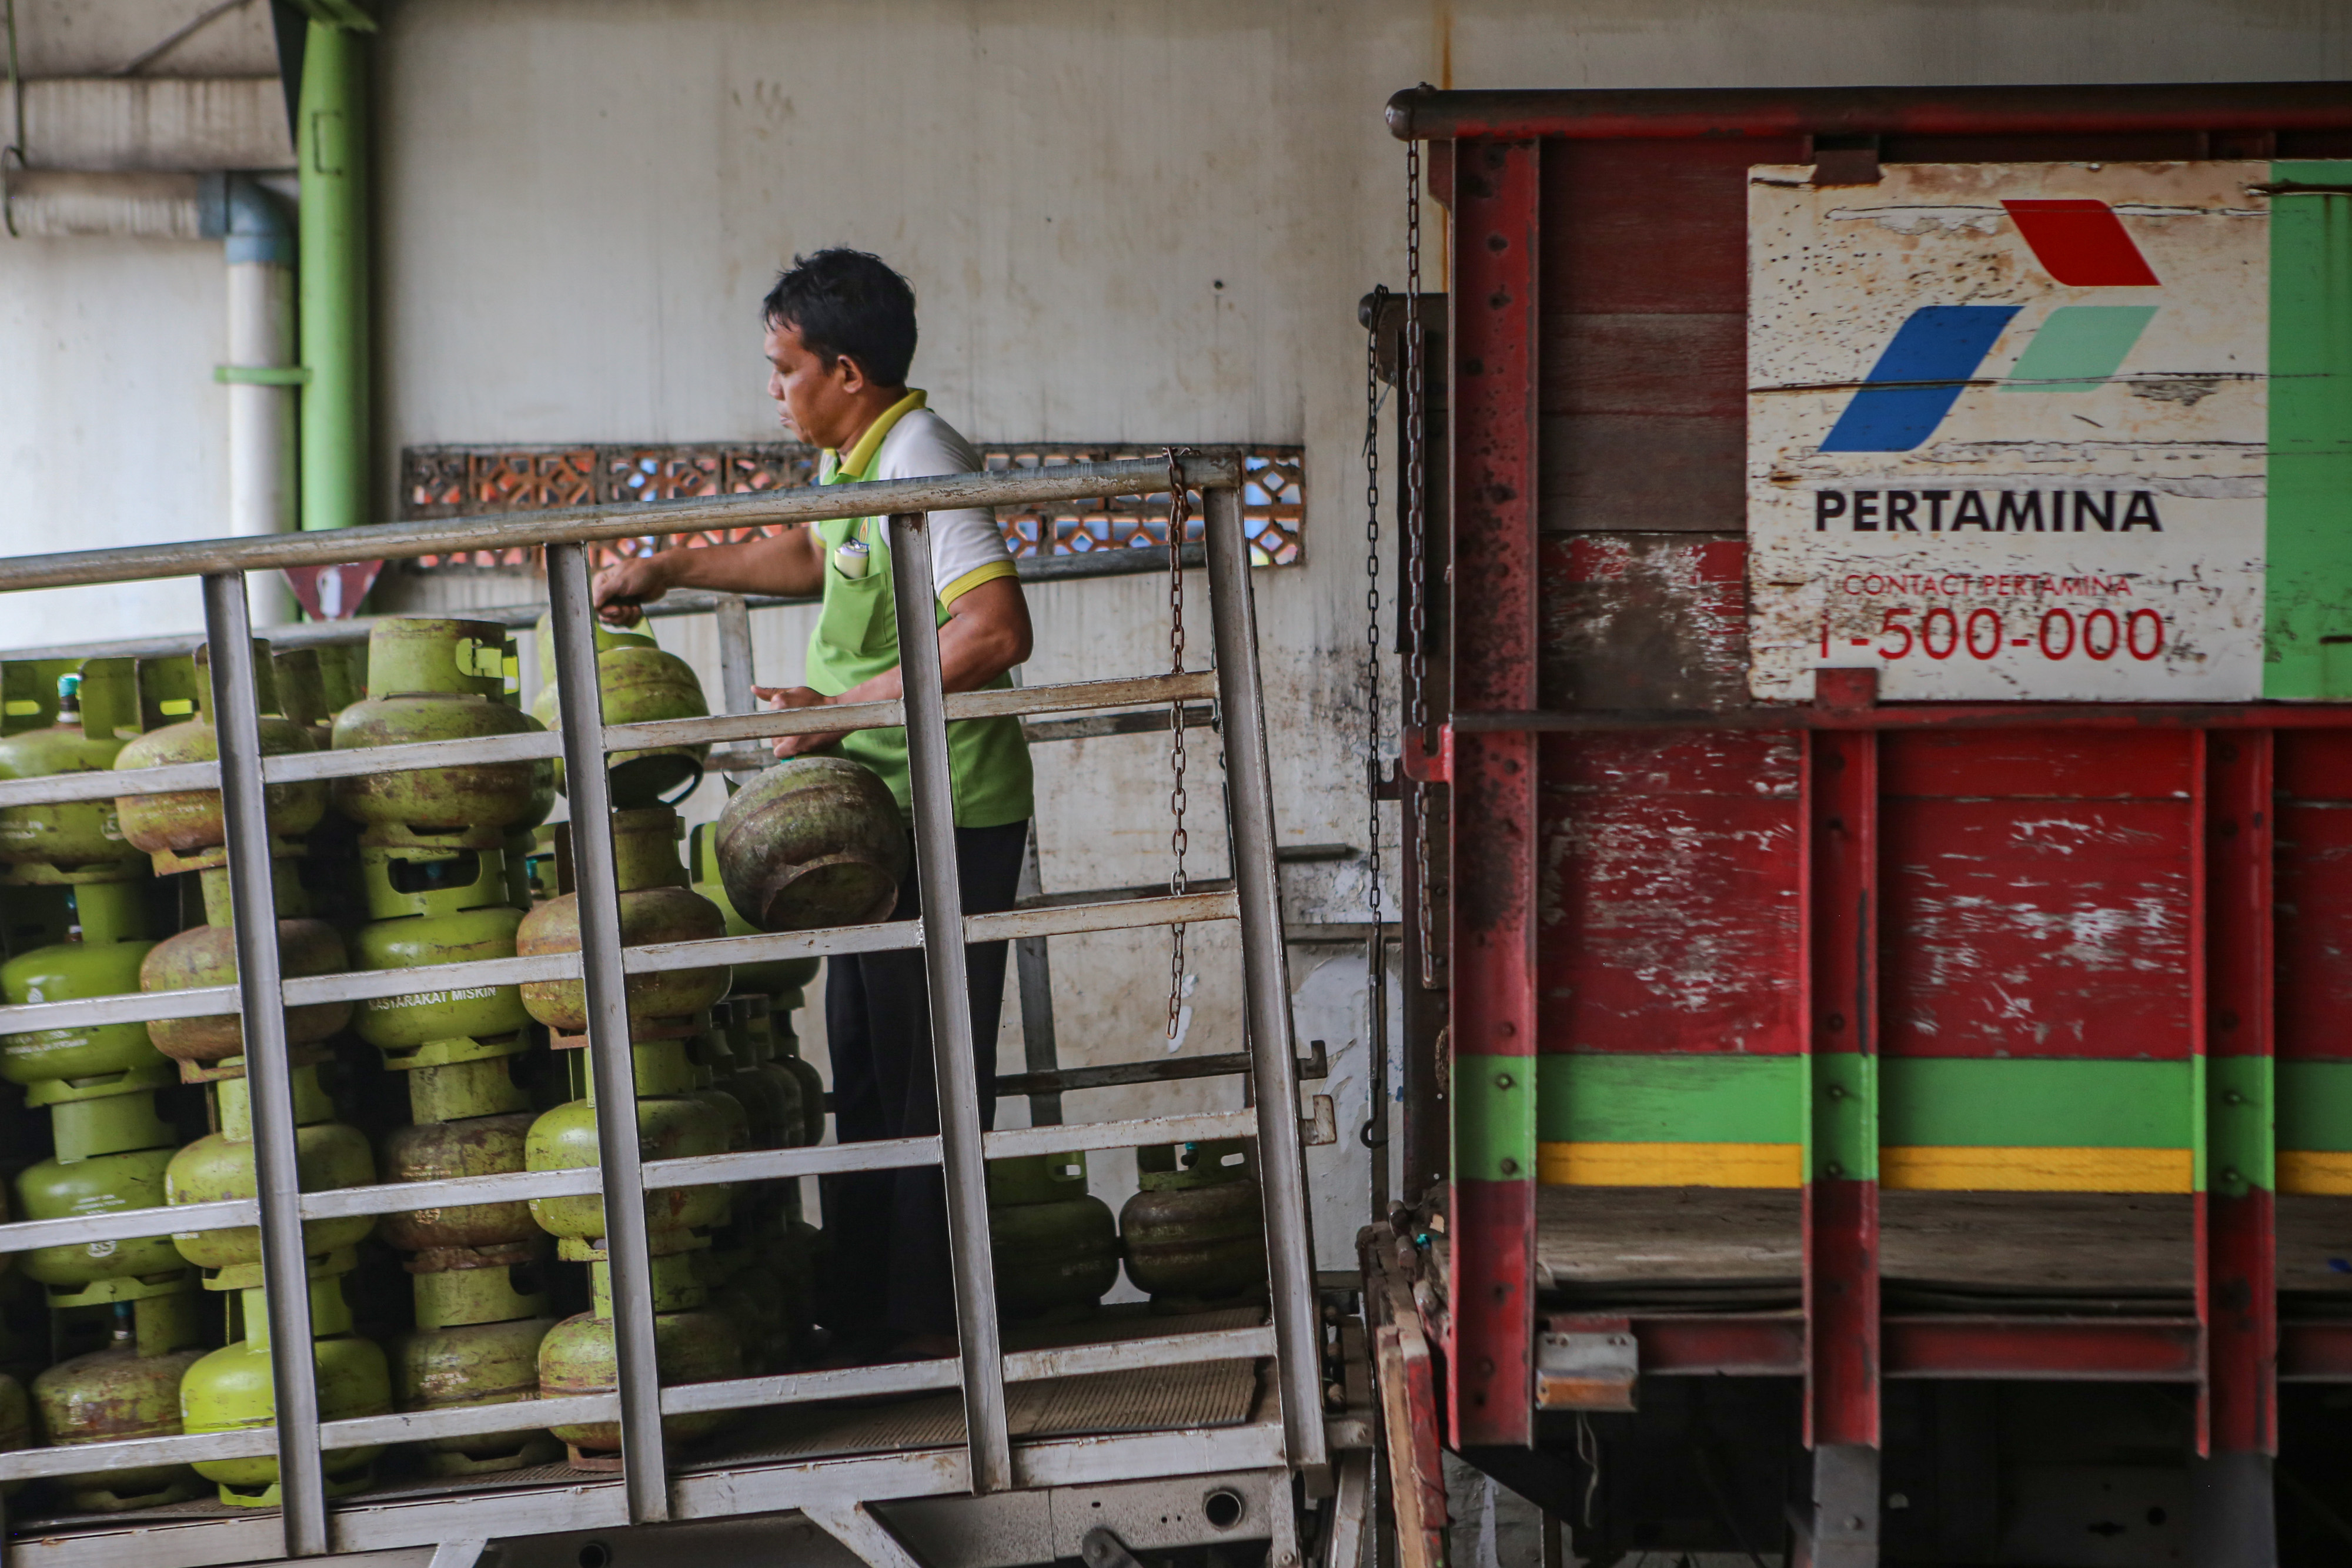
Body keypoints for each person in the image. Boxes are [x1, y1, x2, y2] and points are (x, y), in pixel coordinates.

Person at [591, 248, 1033, 1362]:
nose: (775, 389)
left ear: (845, 369)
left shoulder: (926, 459)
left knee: (925, 1069)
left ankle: (932, 1326)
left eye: (784, 369)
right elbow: (807, 555)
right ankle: (876, 1307)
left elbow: (994, 632)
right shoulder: (860, 466)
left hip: (946, 806)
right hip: (876, 806)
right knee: (872, 1061)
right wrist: (673, 568)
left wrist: (839, 710)